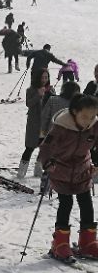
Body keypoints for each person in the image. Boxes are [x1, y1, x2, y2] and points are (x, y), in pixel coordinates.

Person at [39, 94, 98, 261]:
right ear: (74, 112)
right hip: (61, 170)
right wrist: (48, 163)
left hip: (82, 169)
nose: (89, 120)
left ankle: (88, 242)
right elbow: (46, 146)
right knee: (66, 203)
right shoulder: (61, 126)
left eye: (93, 116)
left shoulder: (94, 125)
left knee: (86, 203)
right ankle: (60, 244)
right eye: (85, 116)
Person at [18, 69, 53, 177]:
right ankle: (21, 171)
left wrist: (51, 94)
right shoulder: (31, 90)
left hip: (46, 124)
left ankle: (38, 169)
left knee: (44, 147)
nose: (44, 80)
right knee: (30, 147)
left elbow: (53, 104)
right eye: (42, 77)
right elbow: (29, 103)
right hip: (34, 124)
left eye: (46, 77)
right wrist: (38, 94)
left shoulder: (50, 90)